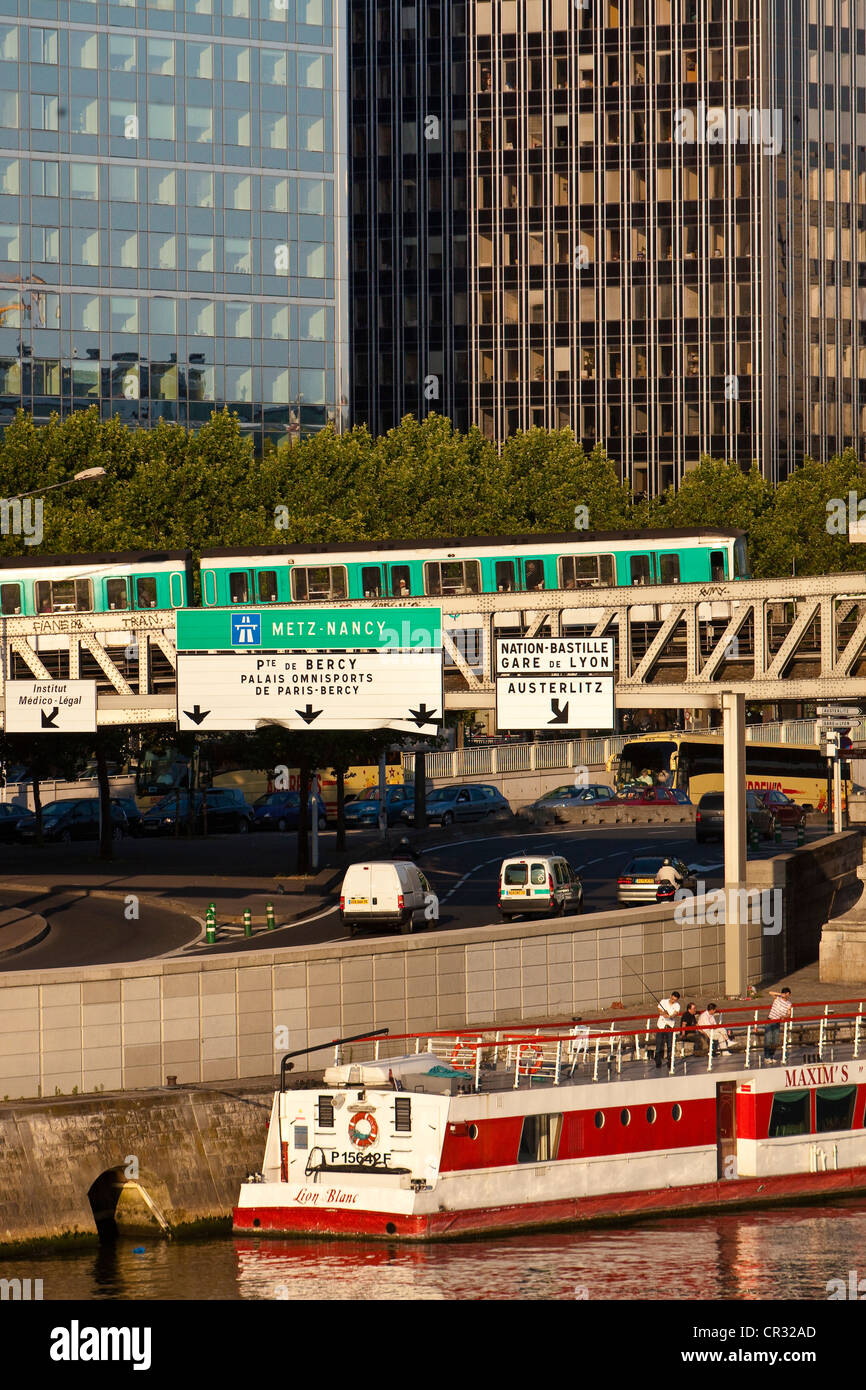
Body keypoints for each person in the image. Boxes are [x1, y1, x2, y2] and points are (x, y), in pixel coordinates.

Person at [764, 987, 792, 1063]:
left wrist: (785, 1017)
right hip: (770, 1020)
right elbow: (770, 992)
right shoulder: (777, 998)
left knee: (775, 1041)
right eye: (786, 994)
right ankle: (766, 1057)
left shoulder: (789, 1003)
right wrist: (781, 995)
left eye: (788, 994)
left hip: (777, 1022)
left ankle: (771, 1056)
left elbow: (789, 1014)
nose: (787, 996)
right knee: (768, 1039)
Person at [654, 991, 681, 1069]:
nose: (673, 1001)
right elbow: (659, 1009)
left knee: (670, 1045)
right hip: (661, 1026)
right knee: (659, 1044)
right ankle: (658, 1060)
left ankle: (670, 1061)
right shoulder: (663, 1001)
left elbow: (675, 1014)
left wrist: (670, 1016)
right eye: (672, 999)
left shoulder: (677, 1005)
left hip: (670, 1026)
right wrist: (663, 1013)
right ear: (670, 996)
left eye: (675, 1000)